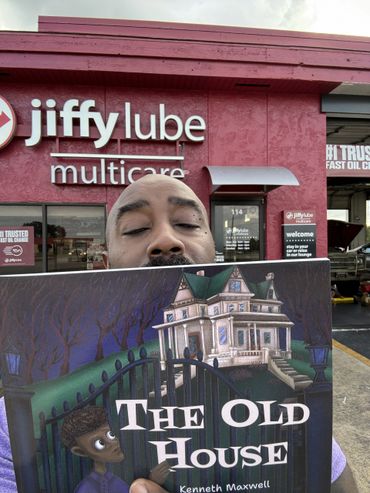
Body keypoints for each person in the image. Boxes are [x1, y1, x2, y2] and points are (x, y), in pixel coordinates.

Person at [0, 174, 357, 493]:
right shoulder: (8, 429)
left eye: (187, 223)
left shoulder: (290, 402)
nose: (166, 240)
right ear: (105, 264)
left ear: (214, 254)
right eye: (136, 229)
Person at [60, 405, 169, 493]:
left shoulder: (117, 480)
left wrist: (151, 483)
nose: (113, 443)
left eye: (110, 435)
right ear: (80, 452)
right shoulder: (87, 488)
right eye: (100, 443)